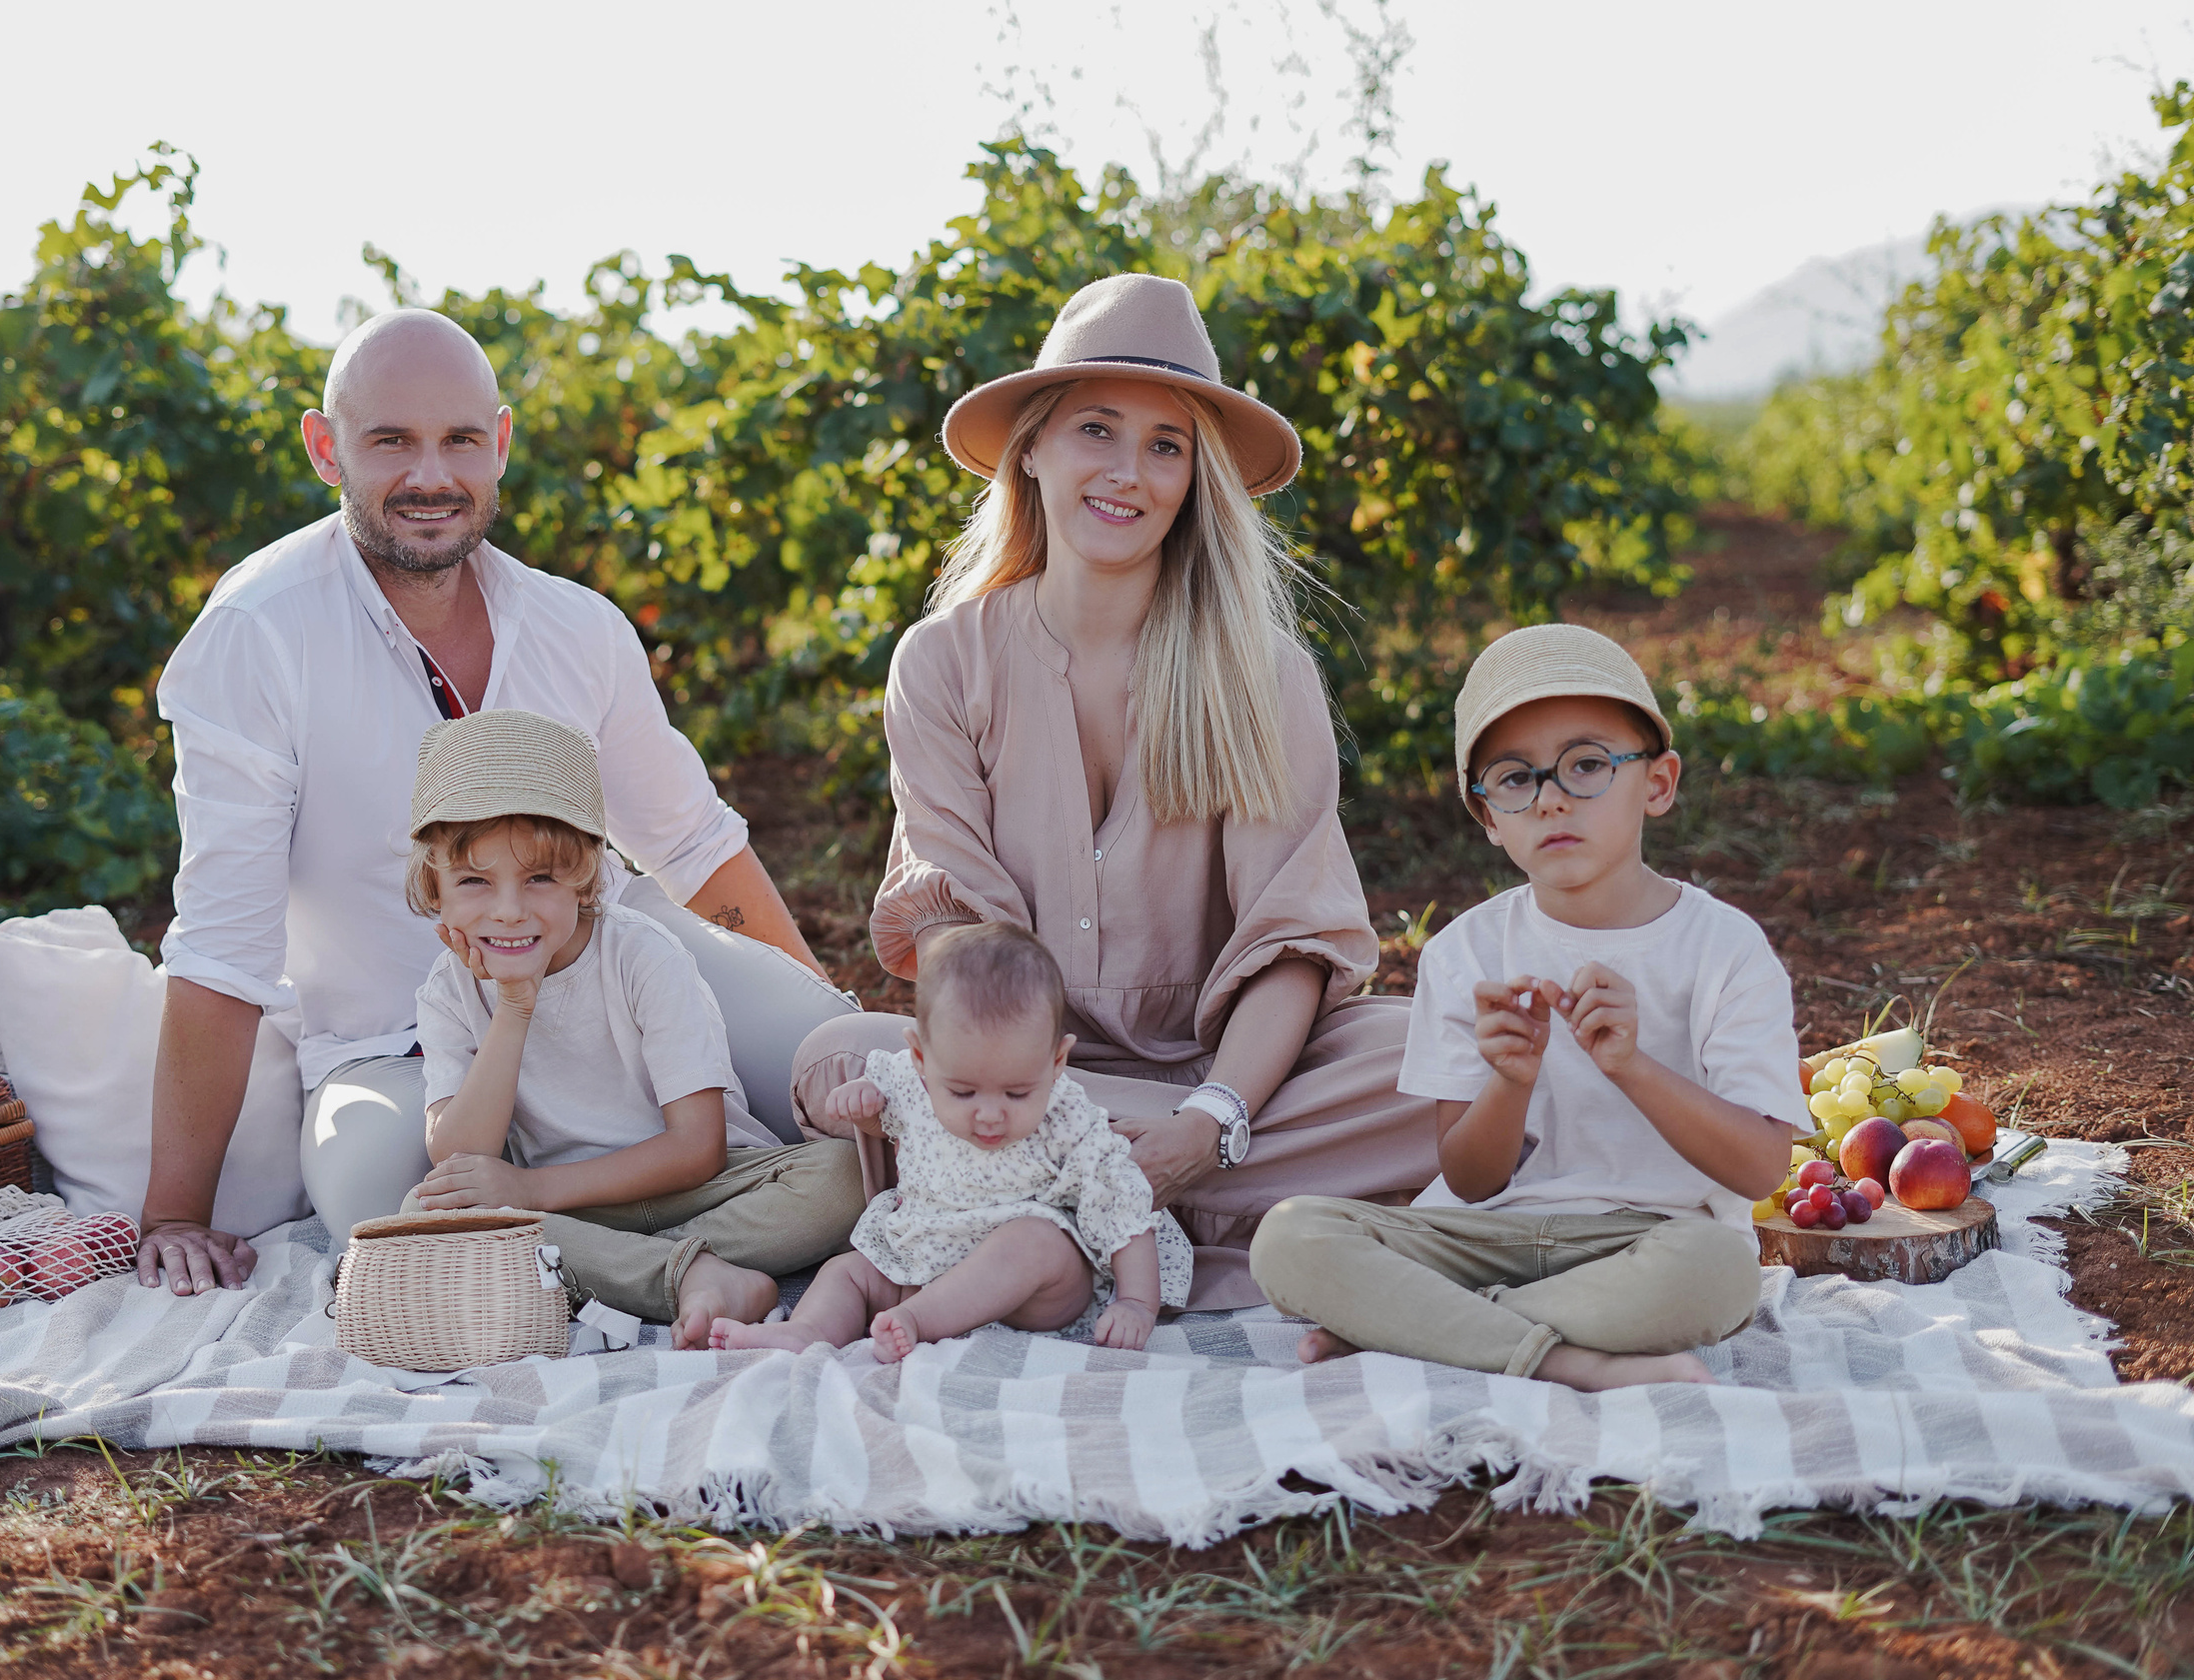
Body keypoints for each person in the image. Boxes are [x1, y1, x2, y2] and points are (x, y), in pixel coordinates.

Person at [139, 308, 828, 1295]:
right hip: (394, 1046)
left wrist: (803, 1033)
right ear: (326, 450)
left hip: (615, 990)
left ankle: (616, 1232)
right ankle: (688, 1263)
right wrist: (174, 1213)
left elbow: (692, 849)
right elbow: (222, 948)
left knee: (858, 1070)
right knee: (390, 1213)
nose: (430, 476)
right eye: (391, 442)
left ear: (498, 444)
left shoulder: (576, 626)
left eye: (459, 440)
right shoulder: (257, 635)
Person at [790, 273, 1436, 1309]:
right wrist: (1032, 1094)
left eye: (1166, 445)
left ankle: (1060, 1206)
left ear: (1196, 479)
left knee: (1445, 1062)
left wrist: (1210, 1121)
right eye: (1097, 430)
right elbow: (962, 939)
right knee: (833, 1054)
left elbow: (1290, 938)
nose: (1128, 474)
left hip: (1241, 1079)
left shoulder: (1261, 672)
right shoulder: (944, 664)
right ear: (1032, 447)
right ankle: (1187, 1208)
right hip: (1031, 1078)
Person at [1248, 625, 1808, 1390]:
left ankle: (1423, 1326)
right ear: (1487, 816)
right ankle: (1569, 1360)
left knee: (1719, 1274)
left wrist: (1632, 1067)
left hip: (1652, 1242)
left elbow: (1759, 1168)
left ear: (1658, 781)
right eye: (1515, 779)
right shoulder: (1466, 952)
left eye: (1586, 765)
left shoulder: (1725, 950)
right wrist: (1508, 1080)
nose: (1549, 800)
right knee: (1290, 1237)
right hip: (1481, 1235)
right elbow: (1470, 1179)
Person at [398, 711, 863, 1348]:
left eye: (539, 878)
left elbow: (697, 1148)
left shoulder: (642, 956)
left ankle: (627, 1271)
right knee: (429, 1216)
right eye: (474, 881)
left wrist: (529, 1190)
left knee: (847, 1174)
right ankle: (697, 1275)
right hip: (576, 1212)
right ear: (435, 889)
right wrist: (513, 1007)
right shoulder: (448, 990)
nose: (508, 911)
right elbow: (458, 1156)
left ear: (584, 877)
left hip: (706, 1189)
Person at [718, 921, 1185, 1360]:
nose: (988, 1113)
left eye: (1017, 1092)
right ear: (920, 1056)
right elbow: (897, 1127)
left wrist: (1137, 1303)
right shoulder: (905, 1080)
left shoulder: (1069, 1120)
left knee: (1035, 1242)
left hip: (1031, 1295)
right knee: (850, 1271)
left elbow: (1124, 1208)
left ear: (1057, 1061)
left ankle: (917, 1322)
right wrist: (869, 1107)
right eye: (962, 1091)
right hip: (924, 1261)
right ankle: (807, 1331)